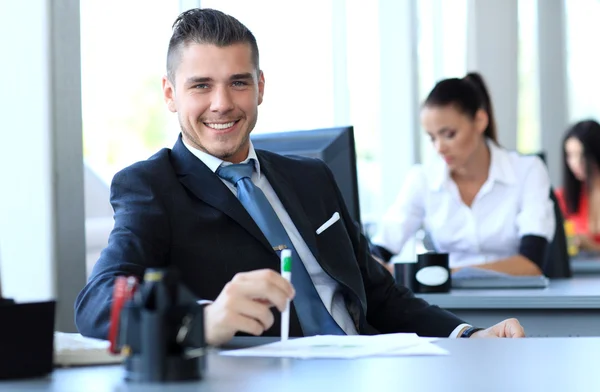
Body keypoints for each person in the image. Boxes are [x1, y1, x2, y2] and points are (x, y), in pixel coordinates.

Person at [75, 8, 525, 346]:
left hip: (370, 365)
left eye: (238, 82)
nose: (221, 103)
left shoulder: (311, 177)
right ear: (171, 94)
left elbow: (379, 295)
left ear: (260, 87)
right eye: (200, 86)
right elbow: (96, 308)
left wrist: (468, 335)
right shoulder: (151, 186)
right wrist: (205, 320)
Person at [371, 73, 555, 276]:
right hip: (446, 304)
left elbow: (531, 264)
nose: (439, 148)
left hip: (516, 300)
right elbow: (381, 247)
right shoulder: (422, 178)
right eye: (432, 137)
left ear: (480, 120)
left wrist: (444, 274)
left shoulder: (528, 170)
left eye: (449, 134)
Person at [555, 119, 600, 252]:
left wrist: (593, 247)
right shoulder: (563, 197)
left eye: (581, 155)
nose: (575, 163)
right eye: (570, 155)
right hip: (577, 270)